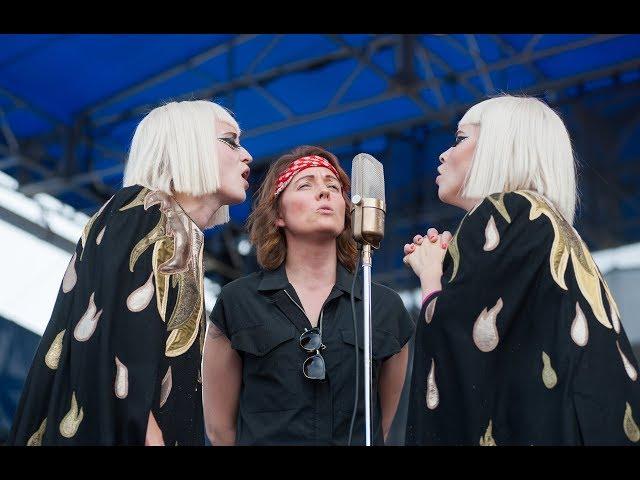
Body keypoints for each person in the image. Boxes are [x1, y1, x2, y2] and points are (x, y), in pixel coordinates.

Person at [8, 100, 252, 445]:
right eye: (231, 140)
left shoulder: (174, 230)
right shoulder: (141, 210)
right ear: (186, 144)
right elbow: (116, 357)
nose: (247, 155)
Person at [403, 95, 640, 446]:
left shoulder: (505, 212)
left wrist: (430, 277)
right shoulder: (545, 223)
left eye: (460, 139)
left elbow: (459, 346)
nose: (443, 154)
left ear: (500, 147)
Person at [202, 145, 415, 445]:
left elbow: (381, 423)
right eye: (305, 185)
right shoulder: (236, 300)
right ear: (278, 214)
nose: (325, 193)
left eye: (333, 186)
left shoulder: (383, 306)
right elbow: (219, 430)